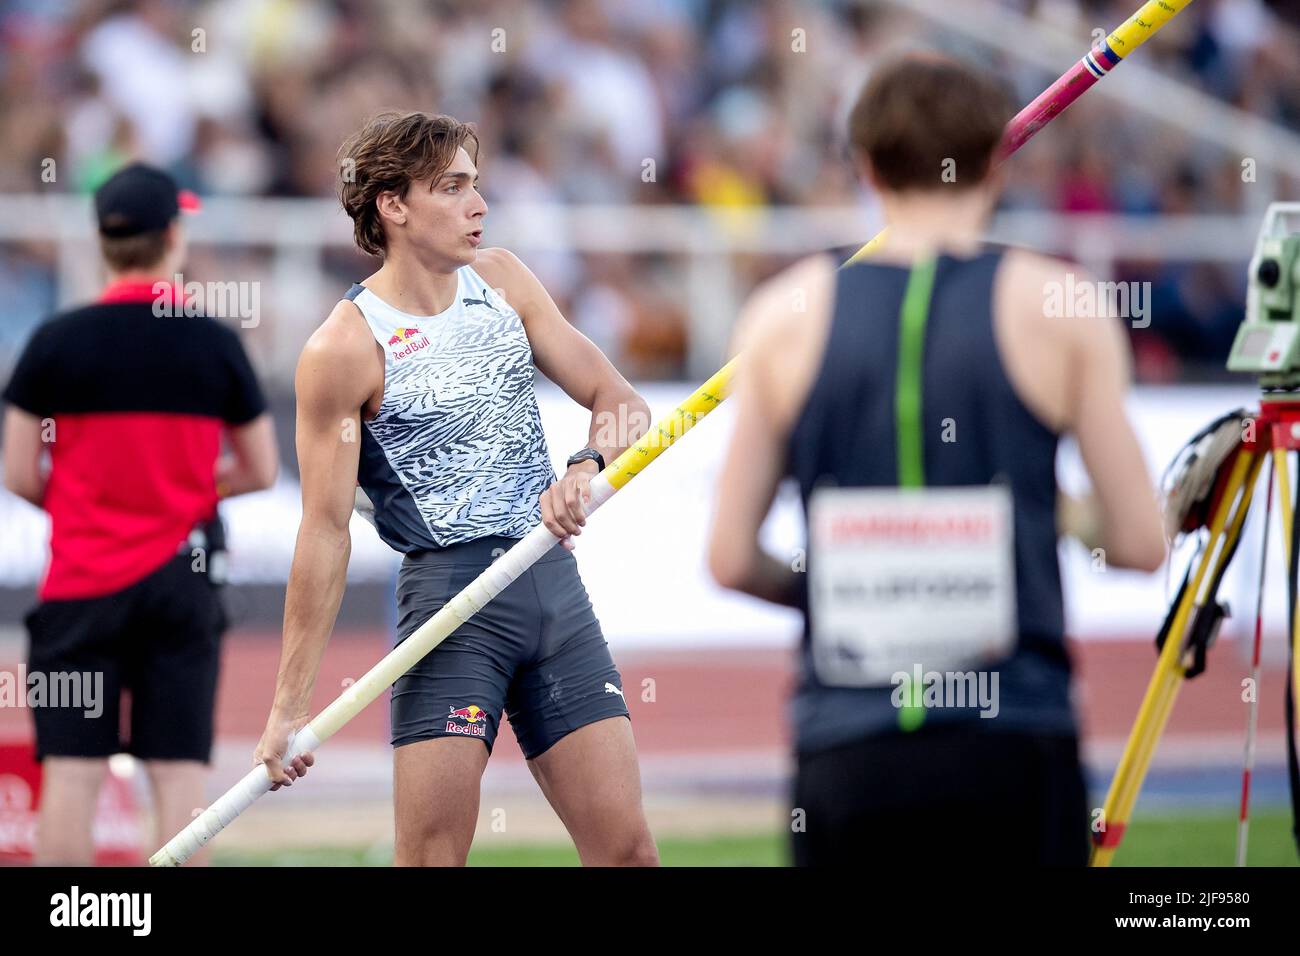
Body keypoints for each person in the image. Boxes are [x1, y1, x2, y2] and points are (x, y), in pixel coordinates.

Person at [707, 54, 1167, 866]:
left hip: (848, 750)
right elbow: (1137, 543)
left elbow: (730, 558)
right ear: (1000, 158)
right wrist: (1050, 516)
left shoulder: (782, 316)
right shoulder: (1061, 306)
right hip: (1015, 739)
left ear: (864, 165)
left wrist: (845, 591)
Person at [254, 111, 659, 867]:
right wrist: (288, 708)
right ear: (393, 206)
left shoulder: (503, 280)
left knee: (628, 852)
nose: (478, 205)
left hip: (550, 586)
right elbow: (324, 532)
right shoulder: (344, 347)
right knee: (432, 860)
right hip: (451, 608)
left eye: (477, 185)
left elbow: (621, 402)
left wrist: (584, 467)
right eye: (453, 188)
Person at [1, 162, 278, 865]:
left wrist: (84, 500)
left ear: (103, 242)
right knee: (178, 771)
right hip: (181, 582)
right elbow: (259, 468)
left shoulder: (55, 341)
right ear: (173, 238)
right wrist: (181, 493)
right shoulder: (214, 341)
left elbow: (16, 470)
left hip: (83, 584)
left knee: (72, 769)